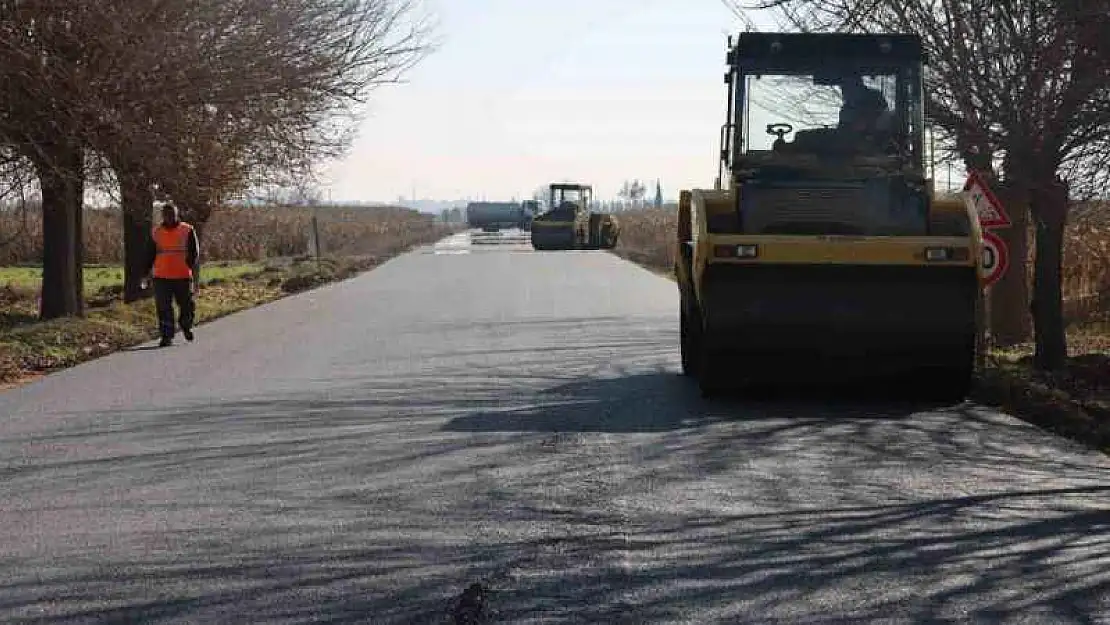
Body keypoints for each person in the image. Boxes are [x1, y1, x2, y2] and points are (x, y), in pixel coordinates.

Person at [142, 201, 200, 347]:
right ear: (163, 216)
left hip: (182, 275)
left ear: (176, 214)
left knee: (186, 305)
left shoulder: (187, 230)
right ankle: (166, 336)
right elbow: (149, 253)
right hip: (161, 276)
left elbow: (194, 252)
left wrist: (190, 265)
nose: (169, 217)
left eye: (172, 214)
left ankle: (186, 326)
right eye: (166, 215)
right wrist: (145, 273)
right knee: (163, 307)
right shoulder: (156, 232)